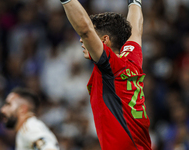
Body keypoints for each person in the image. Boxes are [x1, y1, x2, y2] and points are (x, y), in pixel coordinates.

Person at [59, 0, 152, 149]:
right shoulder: (131, 58)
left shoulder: (111, 67)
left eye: (91, 39)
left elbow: (85, 29)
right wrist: (135, 3)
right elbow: (136, 29)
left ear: (104, 40)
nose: (82, 41)